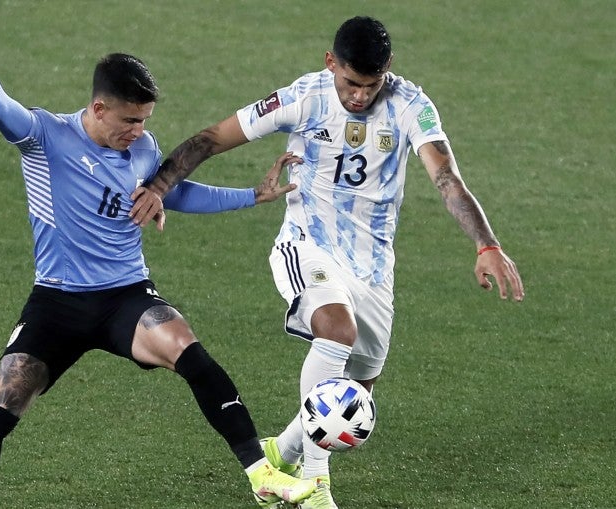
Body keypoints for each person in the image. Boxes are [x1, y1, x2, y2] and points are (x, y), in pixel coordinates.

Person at [0, 5, 317, 508]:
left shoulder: (145, 150)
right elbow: (0, 108)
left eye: (145, 120)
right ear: (100, 108)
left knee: (189, 351)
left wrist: (250, 196)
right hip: (57, 302)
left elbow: (177, 195)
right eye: (130, 120)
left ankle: (261, 475)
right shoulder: (45, 137)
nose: (139, 131)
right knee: (6, 402)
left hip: (126, 296)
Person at [130, 15, 525, 509]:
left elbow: (447, 180)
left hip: (373, 264)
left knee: (359, 386)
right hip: (306, 243)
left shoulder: (411, 106)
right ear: (330, 63)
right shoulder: (304, 97)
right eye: (351, 83)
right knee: (336, 330)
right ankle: (317, 488)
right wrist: (159, 186)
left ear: (389, 70)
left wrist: (486, 244)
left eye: (371, 84)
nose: (360, 96)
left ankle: (285, 450)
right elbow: (213, 137)